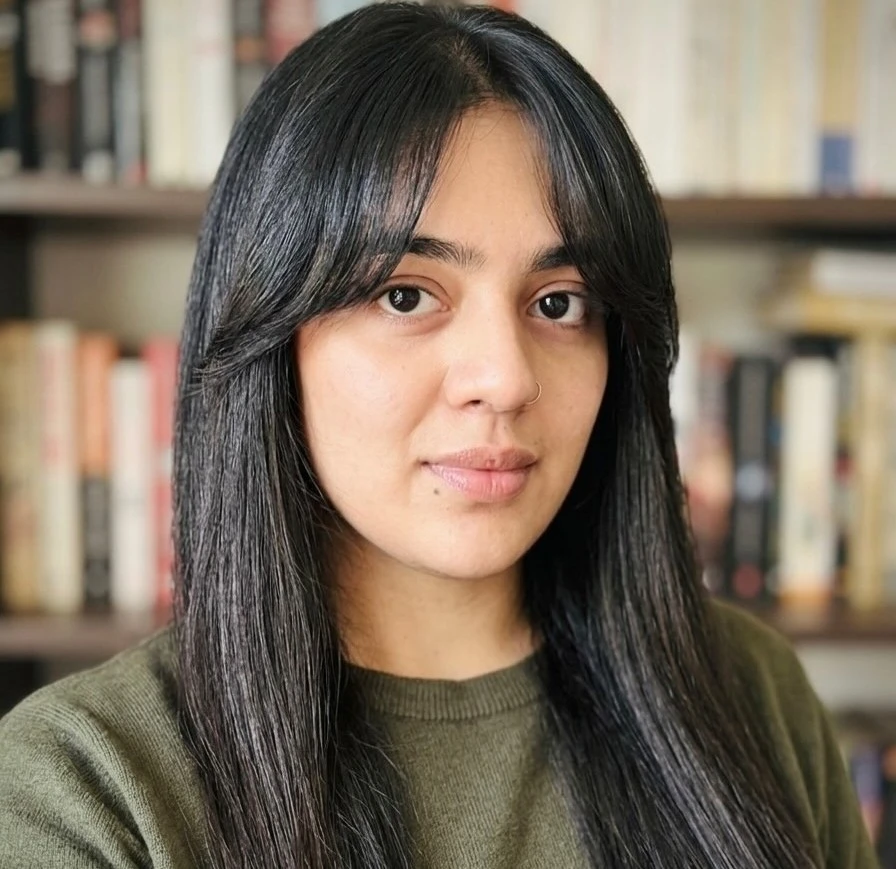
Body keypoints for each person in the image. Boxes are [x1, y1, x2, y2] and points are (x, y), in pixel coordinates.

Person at [0, 4, 879, 868]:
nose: (505, 378)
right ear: (271, 329)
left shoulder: (748, 695)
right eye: (406, 295)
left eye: (559, 303)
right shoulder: (85, 787)